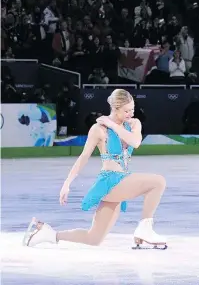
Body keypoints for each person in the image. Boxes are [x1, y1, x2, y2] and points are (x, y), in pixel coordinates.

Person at [23, 89, 168, 249]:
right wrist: (67, 183)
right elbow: (83, 157)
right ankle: (145, 229)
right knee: (158, 182)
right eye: (126, 110)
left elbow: (135, 142)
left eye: (132, 109)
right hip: (110, 181)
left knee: (94, 238)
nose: (130, 113)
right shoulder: (98, 129)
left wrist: (112, 124)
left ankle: (49, 234)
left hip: (122, 181)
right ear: (115, 108)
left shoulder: (133, 124)